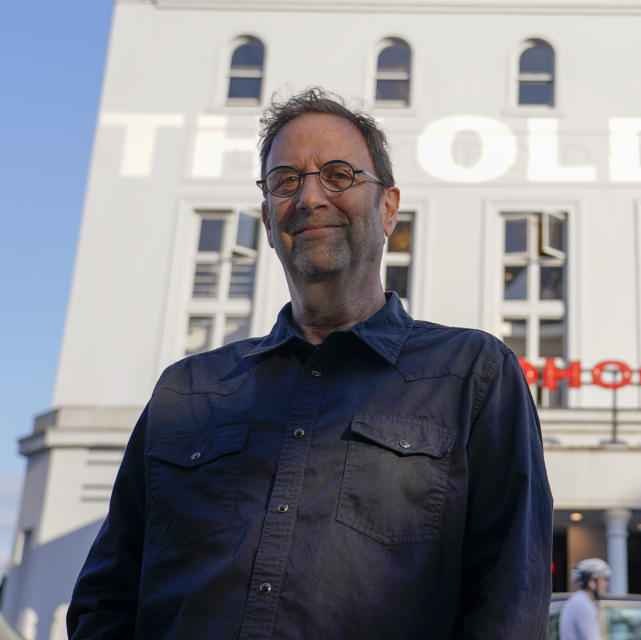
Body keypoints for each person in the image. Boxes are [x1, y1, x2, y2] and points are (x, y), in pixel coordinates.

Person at [66, 87, 553, 639]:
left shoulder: (472, 374)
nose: (310, 197)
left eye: (340, 175)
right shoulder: (187, 391)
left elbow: (509, 603)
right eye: (285, 181)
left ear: (388, 207)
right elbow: (105, 598)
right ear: (269, 221)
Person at [559, 557, 611, 640]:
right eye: (603, 580)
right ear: (591, 582)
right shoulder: (582, 604)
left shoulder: (582, 601)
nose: (606, 585)